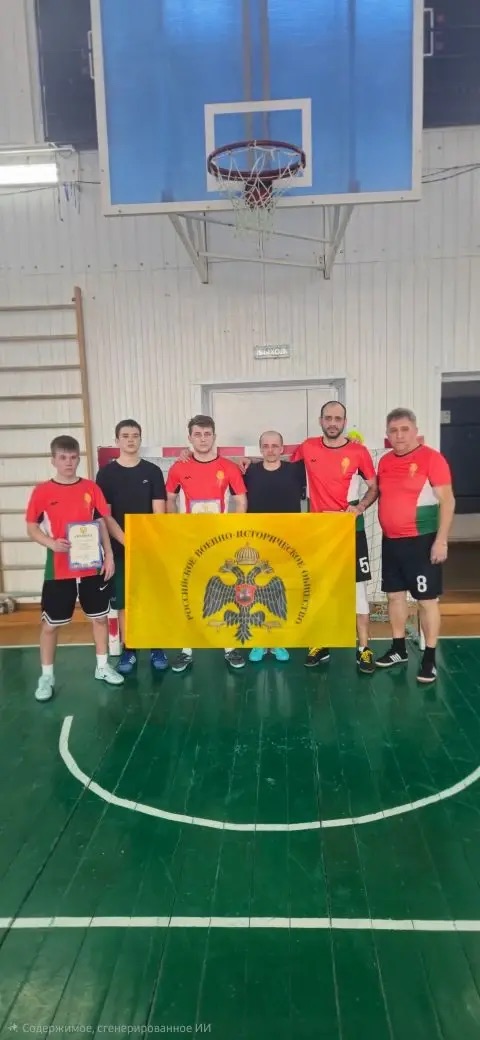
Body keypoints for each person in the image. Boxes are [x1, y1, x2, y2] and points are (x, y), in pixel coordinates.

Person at [25, 435, 124, 702]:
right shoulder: (42, 492)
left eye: (72, 457)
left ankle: (102, 666)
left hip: (92, 568)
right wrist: (51, 543)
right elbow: (32, 527)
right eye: (63, 458)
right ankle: (47, 676)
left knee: (100, 618)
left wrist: (109, 556)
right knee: (50, 625)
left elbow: (102, 522)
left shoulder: (91, 488)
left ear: (78, 458)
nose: (68, 462)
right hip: (59, 570)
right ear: (54, 460)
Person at [290, 401, 378, 673]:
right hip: (319, 532)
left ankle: (364, 648)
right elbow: (277, 465)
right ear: (320, 420)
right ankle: (320, 643)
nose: (332, 423)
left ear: (344, 422)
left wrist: (359, 508)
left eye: (337, 419)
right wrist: (243, 462)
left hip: (351, 531)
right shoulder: (307, 447)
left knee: (358, 591)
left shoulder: (358, 451)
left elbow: (374, 487)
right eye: (328, 418)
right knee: (319, 589)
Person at [375, 408, 455, 684]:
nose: (399, 435)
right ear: (387, 434)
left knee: (426, 600)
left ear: (415, 430)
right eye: (393, 430)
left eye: (404, 429)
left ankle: (429, 658)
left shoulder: (432, 458)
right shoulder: (385, 461)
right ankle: (398, 649)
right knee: (394, 597)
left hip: (422, 542)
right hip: (391, 542)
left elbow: (448, 501)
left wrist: (441, 540)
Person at [165, 414, 248, 673]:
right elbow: (169, 499)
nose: (202, 439)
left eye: (207, 434)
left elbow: (241, 501)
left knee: (227, 592)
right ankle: (186, 650)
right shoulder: (178, 468)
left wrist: (231, 532)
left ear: (214, 436)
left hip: (220, 543)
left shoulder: (229, 467)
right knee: (189, 593)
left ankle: (230, 647)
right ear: (190, 438)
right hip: (190, 542)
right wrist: (176, 528)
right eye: (197, 434)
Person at [95, 419, 168, 675]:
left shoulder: (153, 471)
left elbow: (159, 513)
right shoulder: (106, 474)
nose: (130, 440)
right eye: (125, 436)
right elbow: (106, 515)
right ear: (117, 440)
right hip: (120, 549)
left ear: (140, 439)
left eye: (135, 435)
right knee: (125, 603)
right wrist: (127, 541)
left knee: (152, 599)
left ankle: (157, 647)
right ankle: (130, 648)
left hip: (149, 548)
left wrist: (147, 543)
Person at [244, 429, 306, 664]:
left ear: (282, 448)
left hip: (287, 542)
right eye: (266, 446)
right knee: (255, 591)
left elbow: (322, 461)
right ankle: (259, 640)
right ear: (260, 449)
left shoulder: (296, 470)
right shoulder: (250, 471)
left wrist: (352, 441)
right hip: (257, 541)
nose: (270, 450)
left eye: (274, 446)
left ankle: (279, 639)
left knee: (281, 591)